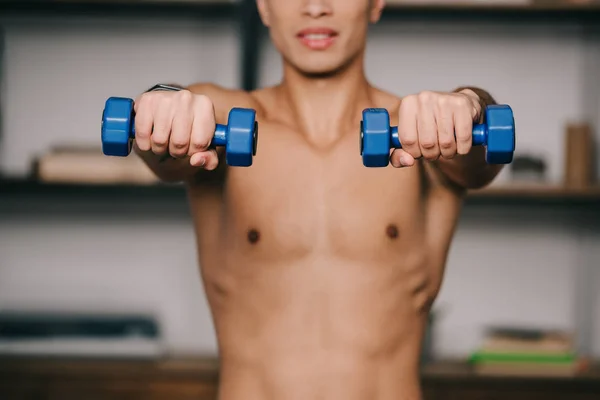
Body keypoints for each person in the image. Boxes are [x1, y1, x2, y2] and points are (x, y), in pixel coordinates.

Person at [132, 1, 503, 399]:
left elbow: (480, 156)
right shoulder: (221, 121)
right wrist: (161, 104)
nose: (315, 7)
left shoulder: (424, 136)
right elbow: (167, 138)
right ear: (264, 7)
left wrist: (468, 104)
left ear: (375, 4)